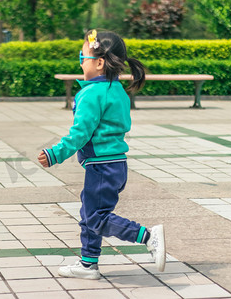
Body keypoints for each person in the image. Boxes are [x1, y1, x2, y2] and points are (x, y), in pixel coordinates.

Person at [38, 29, 166, 280]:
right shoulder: (116, 89)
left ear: (98, 63)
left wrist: (55, 154)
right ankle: (88, 265)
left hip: (101, 166)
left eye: (82, 57)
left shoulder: (91, 94)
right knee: (90, 214)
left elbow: (80, 134)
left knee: (96, 217)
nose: (80, 63)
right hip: (116, 164)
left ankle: (147, 236)